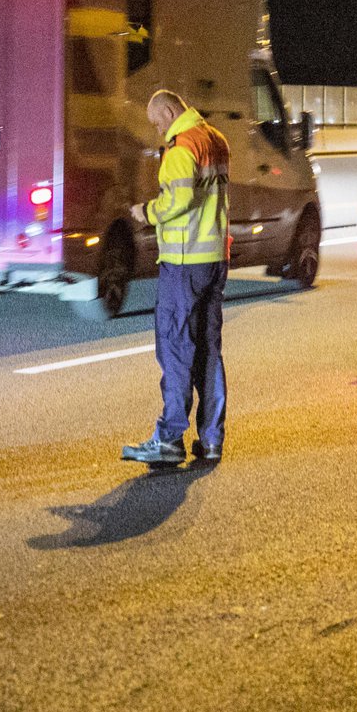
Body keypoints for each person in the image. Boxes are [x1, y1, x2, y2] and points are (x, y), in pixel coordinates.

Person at [121, 90, 231, 465]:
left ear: (169, 112)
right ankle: (212, 439)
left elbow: (178, 201)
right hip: (214, 258)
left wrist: (146, 211)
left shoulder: (181, 148)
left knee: (175, 347)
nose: (157, 130)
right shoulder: (215, 140)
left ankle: (169, 439)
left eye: (157, 122)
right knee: (209, 350)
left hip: (184, 261)